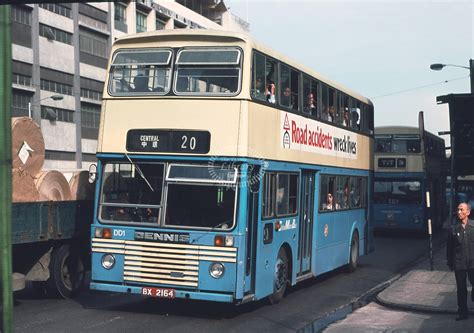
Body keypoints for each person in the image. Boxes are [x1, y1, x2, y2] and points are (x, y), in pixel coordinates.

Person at [447, 202, 474, 321]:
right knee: (461, 288)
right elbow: (449, 248)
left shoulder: (473, 227)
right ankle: (463, 312)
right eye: (458, 210)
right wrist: (450, 262)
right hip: (459, 263)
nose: (458, 212)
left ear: (468, 212)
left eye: (461, 210)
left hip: (473, 263)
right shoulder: (453, 228)